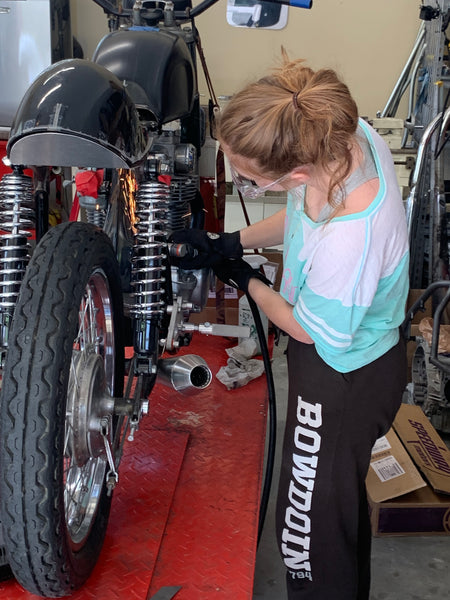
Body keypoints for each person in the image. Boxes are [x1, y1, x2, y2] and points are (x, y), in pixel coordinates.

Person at [171, 53, 409, 600]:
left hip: (344, 372)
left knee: (305, 533)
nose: (247, 185)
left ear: (294, 171)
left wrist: (245, 280)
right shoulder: (337, 136)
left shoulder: (353, 234)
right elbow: (302, 212)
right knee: (336, 521)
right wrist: (232, 243)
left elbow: (304, 328)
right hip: (349, 350)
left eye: (251, 180)